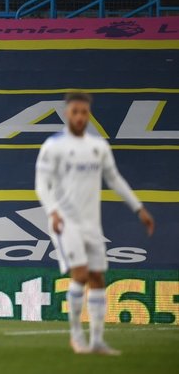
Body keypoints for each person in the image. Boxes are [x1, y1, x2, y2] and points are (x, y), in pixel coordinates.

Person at [35, 92, 154, 356]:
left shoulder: (97, 146)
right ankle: (77, 336)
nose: (79, 117)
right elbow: (42, 185)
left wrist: (139, 208)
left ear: (88, 114)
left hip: (92, 224)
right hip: (66, 222)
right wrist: (52, 211)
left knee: (98, 278)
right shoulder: (53, 146)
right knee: (80, 275)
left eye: (84, 112)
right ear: (67, 113)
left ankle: (97, 340)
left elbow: (114, 179)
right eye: (75, 111)